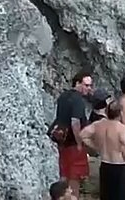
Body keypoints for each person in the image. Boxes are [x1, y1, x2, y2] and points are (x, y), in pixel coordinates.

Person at [79, 99, 125, 200]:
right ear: (121, 113)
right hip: (121, 167)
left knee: (107, 196)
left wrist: (96, 146)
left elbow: (82, 135)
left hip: (105, 164)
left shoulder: (98, 125)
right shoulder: (122, 129)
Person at [53, 71, 94, 199]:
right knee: (74, 180)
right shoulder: (78, 100)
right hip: (72, 144)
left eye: (90, 85)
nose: (89, 88)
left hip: (61, 142)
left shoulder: (63, 96)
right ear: (77, 83)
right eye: (86, 85)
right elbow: (75, 122)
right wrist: (79, 143)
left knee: (64, 176)